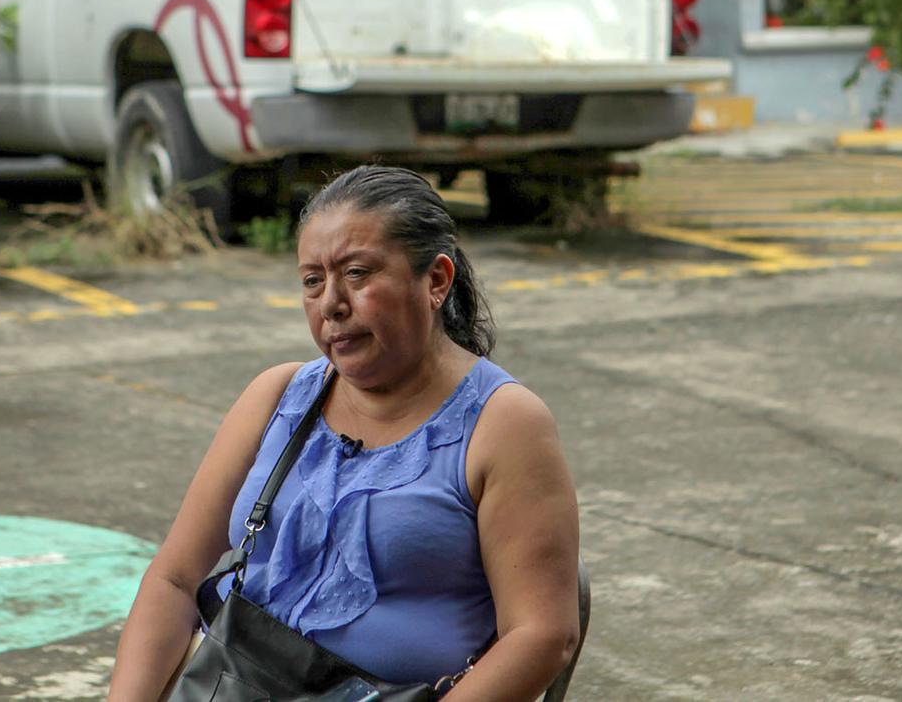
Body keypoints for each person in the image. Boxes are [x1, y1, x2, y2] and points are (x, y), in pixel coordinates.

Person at [106, 164, 583, 701]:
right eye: (313, 280)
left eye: (357, 274)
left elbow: (542, 634)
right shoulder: (278, 396)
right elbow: (173, 578)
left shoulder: (504, 425)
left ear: (436, 281)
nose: (331, 303)